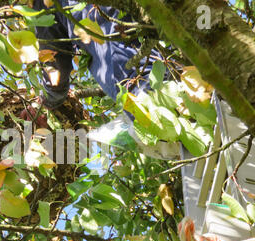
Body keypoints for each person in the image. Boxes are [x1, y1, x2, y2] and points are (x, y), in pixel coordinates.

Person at [24, 0, 180, 160]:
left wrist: (45, 102)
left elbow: (54, 59)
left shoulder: (44, 4)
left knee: (161, 129)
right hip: (174, 48)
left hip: (133, 74)